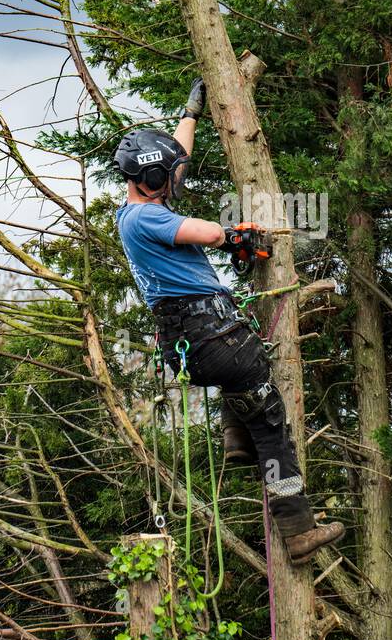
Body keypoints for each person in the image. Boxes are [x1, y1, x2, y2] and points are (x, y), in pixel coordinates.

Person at [113, 77, 345, 566]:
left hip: (194, 344)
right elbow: (206, 231)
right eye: (170, 177)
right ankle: (298, 528)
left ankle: (235, 439)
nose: (178, 180)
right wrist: (235, 234)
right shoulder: (148, 219)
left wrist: (190, 113)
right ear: (150, 181)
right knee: (272, 423)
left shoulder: (131, 212)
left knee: (239, 378)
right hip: (216, 335)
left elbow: (176, 156)